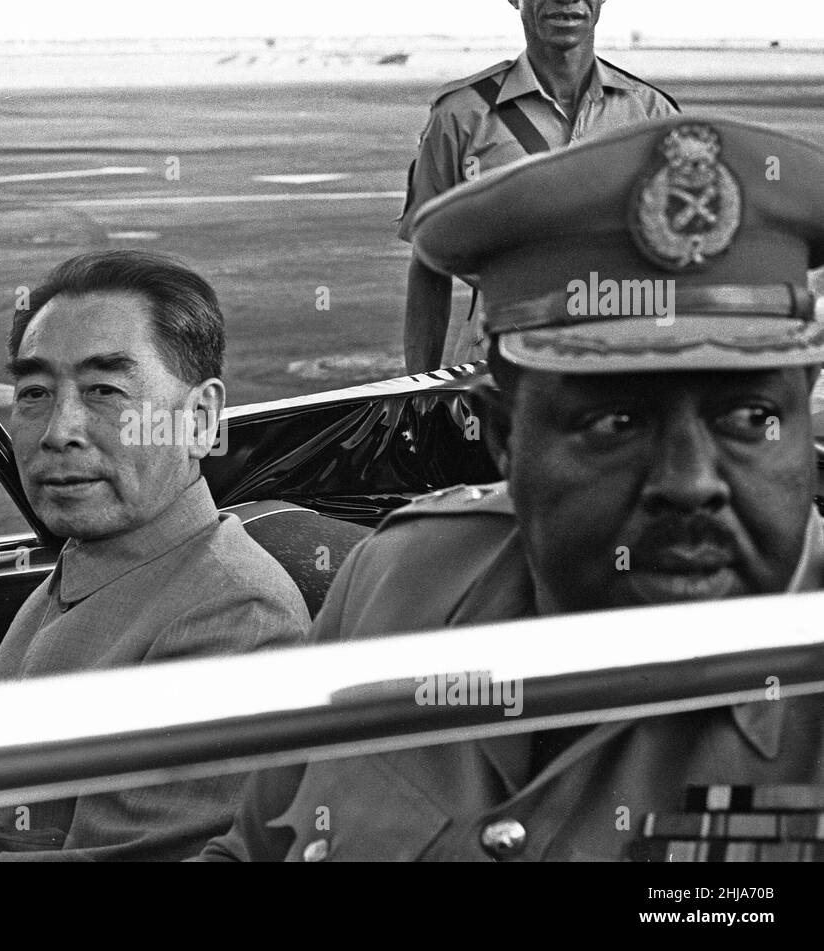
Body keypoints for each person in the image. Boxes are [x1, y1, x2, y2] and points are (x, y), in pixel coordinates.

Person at [200, 115, 824, 860]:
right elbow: (253, 848)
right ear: (502, 436)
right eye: (615, 420)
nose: (690, 482)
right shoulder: (399, 583)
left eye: (750, 416)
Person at [0, 250, 310, 861]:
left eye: (105, 389)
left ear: (199, 419)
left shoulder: (233, 615)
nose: (60, 429)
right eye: (34, 391)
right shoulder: (92, 561)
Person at [401, 0, 678, 374]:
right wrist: (419, 395)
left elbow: (680, 263)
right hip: (499, 371)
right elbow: (429, 263)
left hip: (620, 371)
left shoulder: (652, 115)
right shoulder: (462, 116)